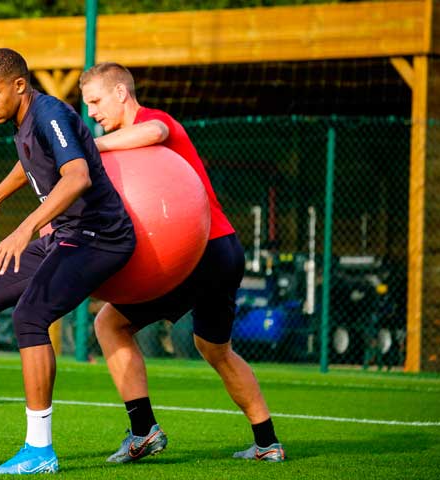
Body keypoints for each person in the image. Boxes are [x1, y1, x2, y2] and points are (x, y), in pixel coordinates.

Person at [0, 49, 136, 474]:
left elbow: (77, 176)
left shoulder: (50, 114)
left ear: (19, 86)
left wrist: (24, 227)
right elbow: (29, 160)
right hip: (67, 236)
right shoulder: (25, 122)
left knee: (30, 315)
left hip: (100, 238)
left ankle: (40, 450)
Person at [79, 62, 286, 463]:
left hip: (197, 250)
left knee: (108, 323)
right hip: (224, 250)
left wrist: (92, 147)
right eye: (87, 104)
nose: (92, 113)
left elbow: (155, 133)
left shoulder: (152, 122)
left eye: (96, 101)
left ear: (121, 93)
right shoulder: (122, 143)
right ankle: (268, 443)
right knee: (216, 349)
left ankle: (143, 431)